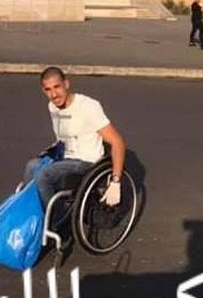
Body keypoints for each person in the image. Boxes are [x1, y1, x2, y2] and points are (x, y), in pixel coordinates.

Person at [22, 66, 126, 209]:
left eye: (57, 87)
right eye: (48, 89)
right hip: (65, 158)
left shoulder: (88, 106)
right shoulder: (52, 107)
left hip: (86, 161)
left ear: (66, 84)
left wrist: (115, 181)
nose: (54, 94)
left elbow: (117, 142)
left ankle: (55, 220)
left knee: (44, 175)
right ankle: (33, 214)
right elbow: (63, 138)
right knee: (31, 166)